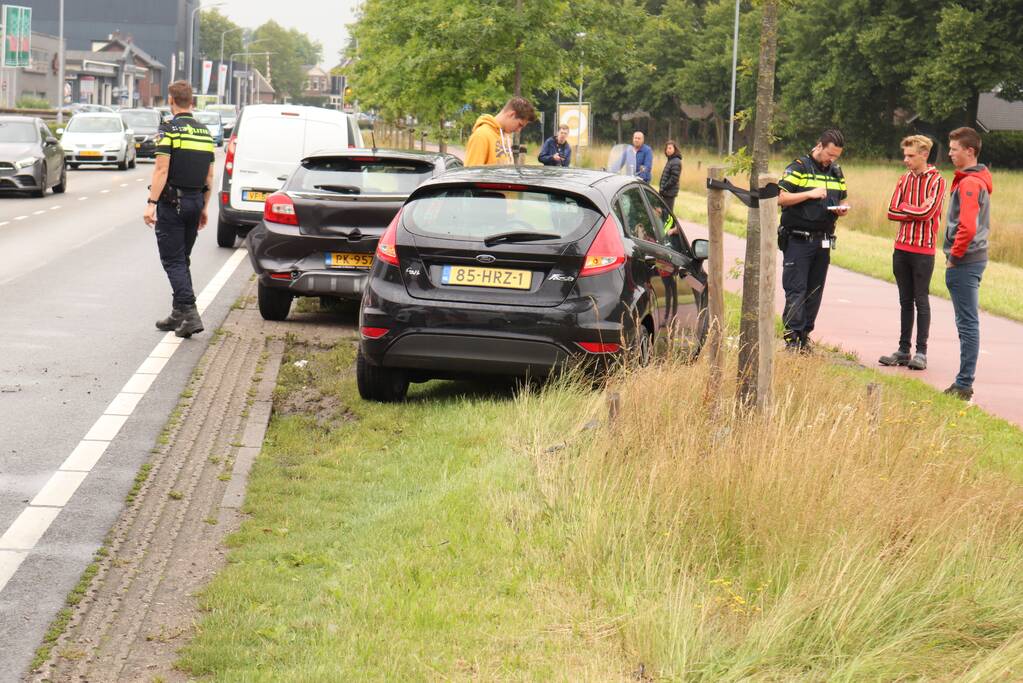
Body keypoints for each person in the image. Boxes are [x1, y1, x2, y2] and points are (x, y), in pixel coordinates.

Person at [143, 80, 216, 338]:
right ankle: (177, 315)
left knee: (172, 260)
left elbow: (161, 169)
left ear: (171, 101)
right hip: (195, 202)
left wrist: (151, 204)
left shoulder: (169, 129)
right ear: (192, 102)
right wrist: (205, 207)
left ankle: (190, 312)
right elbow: (209, 175)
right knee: (182, 258)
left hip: (172, 204)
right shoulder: (205, 133)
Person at [777, 128, 849, 351]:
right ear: (819, 146)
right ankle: (792, 338)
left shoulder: (836, 172)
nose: (832, 159)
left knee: (814, 291)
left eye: (836, 156)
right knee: (796, 289)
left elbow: (843, 198)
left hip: (824, 239)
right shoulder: (798, 167)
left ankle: (805, 336)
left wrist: (842, 209)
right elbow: (780, 198)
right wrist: (808, 194)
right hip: (798, 239)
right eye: (830, 154)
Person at [878, 135, 946, 371]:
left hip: (923, 250)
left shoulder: (937, 180)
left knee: (921, 299)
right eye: (905, 155)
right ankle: (903, 349)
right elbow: (891, 211)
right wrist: (912, 210)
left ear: (924, 154)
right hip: (901, 247)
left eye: (910, 155)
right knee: (904, 300)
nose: (905, 160)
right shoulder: (904, 179)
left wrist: (906, 209)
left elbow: (928, 213)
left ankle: (922, 352)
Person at [942, 127, 992, 401]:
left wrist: (954, 257)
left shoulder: (971, 183)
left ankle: (963, 384)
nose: (949, 153)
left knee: (967, 324)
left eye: (954, 149)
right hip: (972, 259)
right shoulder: (970, 180)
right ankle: (962, 381)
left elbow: (968, 227)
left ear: (969, 151)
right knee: (967, 322)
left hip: (965, 261)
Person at [464, 97, 536, 166]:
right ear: (512, 114)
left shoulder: (507, 137)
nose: (518, 130)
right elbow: (471, 174)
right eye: (520, 125)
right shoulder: (481, 135)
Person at [659, 140, 682, 210]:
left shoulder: (676, 161)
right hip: (666, 192)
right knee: (664, 212)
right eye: (667, 148)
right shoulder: (670, 160)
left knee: (668, 213)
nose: (668, 150)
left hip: (669, 192)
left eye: (670, 148)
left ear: (675, 149)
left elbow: (674, 178)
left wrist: (664, 188)